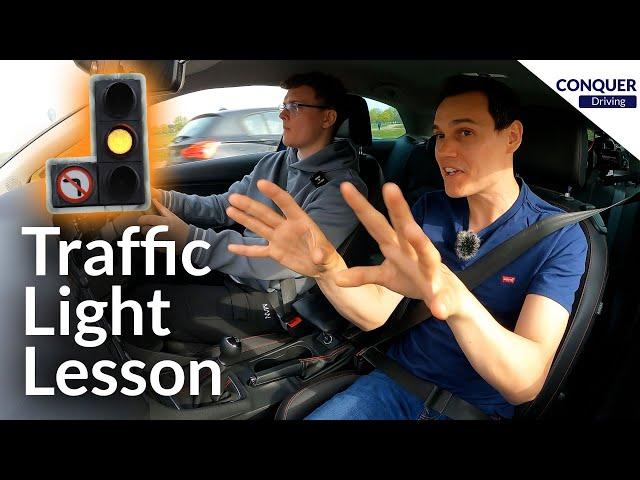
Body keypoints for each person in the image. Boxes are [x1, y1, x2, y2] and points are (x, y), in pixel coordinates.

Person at [224, 74, 588, 419]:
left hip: (469, 410)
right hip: (389, 385)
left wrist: (454, 299)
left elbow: (525, 384)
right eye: (440, 135)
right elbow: (376, 313)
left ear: (511, 137)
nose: (445, 151)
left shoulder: (558, 237)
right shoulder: (430, 210)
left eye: (465, 132)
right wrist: (327, 269)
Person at [127, 72, 367, 347]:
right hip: (240, 273)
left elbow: (285, 259)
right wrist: (162, 199)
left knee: (143, 306)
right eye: (284, 107)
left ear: (328, 118)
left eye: (295, 107)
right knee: (142, 272)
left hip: (277, 298)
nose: (283, 116)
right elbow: (222, 207)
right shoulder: (274, 162)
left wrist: (191, 240)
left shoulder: (344, 190)